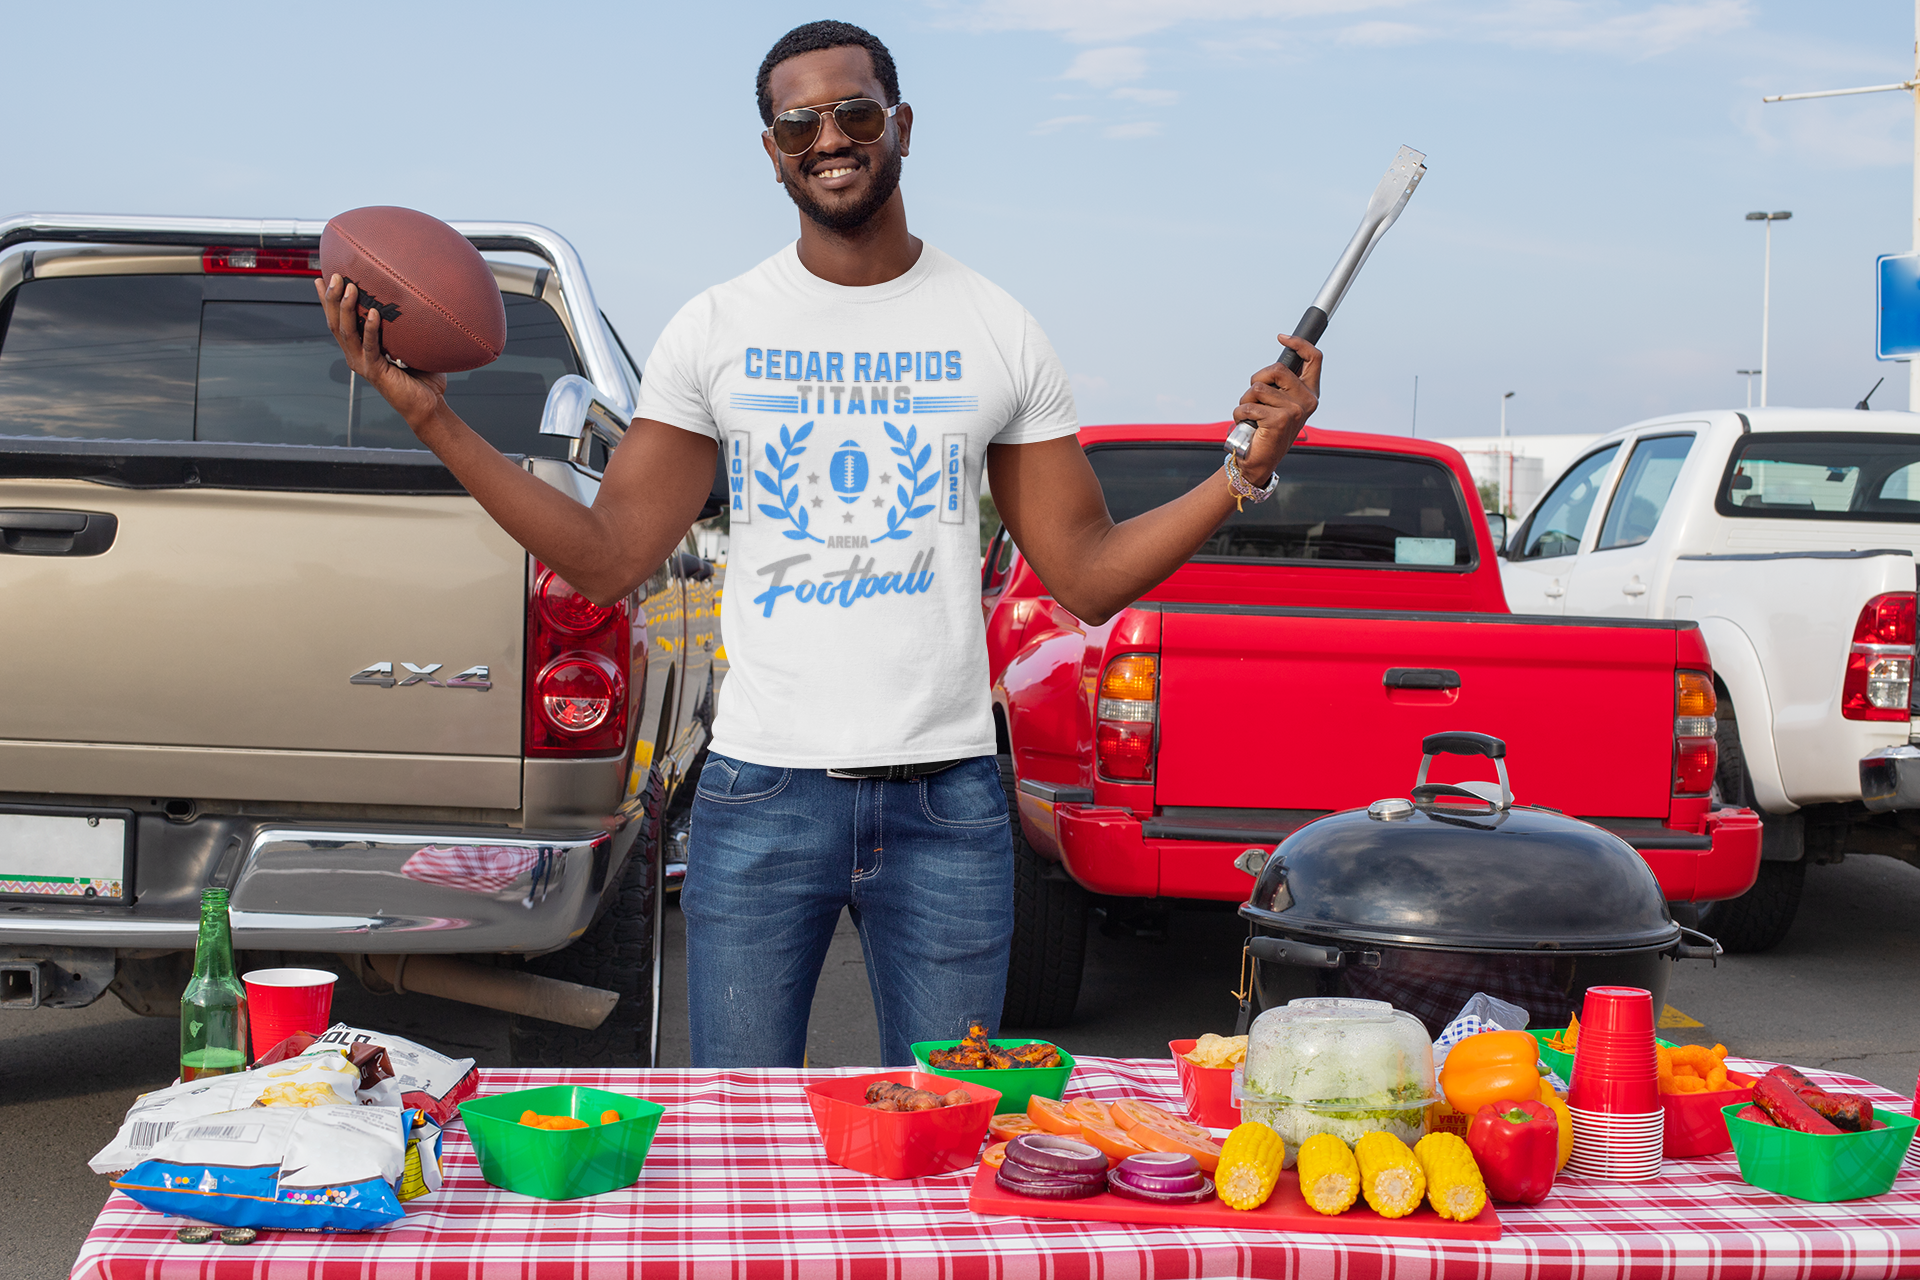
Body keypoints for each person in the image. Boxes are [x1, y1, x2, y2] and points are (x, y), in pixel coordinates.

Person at [318, 19, 1320, 1068]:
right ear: (771, 150)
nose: (830, 138)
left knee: (943, 1133)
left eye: (854, 112)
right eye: (799, 122)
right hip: (765, 792)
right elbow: (609, 557)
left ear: (903, 125)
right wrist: (431, 417)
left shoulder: (996, 327)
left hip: (947, 801)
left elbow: (1084, 572)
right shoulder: (717, 328)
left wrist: (1241, 469)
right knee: (745, 1140)